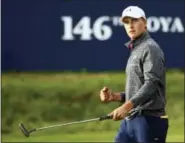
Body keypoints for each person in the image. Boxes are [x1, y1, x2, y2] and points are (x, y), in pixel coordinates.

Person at [99, 6, 169, 143]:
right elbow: (139, 88)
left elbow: (151, 84)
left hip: (149, 121)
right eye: (126, 22)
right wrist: (116, 97)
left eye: (135, 20)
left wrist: (126, 106)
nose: (130, 25)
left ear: (145, 22)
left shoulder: (150, 48)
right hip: (130, 121)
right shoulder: (136, 50)